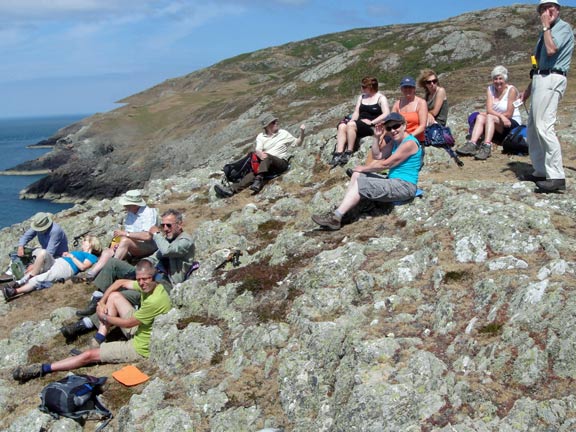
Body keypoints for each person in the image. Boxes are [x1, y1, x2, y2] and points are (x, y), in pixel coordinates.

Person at [12, 260, 171, 383]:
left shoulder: (155, 300)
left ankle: (43, 368)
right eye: (139, 279)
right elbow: (119, 283)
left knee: (88, 355)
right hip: (141, 328)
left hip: (140, 347)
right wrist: (102, 302)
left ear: (154, 276)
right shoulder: (153, 286)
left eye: (146, 279)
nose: (142, 283)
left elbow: (129, 323)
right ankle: (99, 338)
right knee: (115, 296)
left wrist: (105, 317)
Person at [70, 208, 194, 322]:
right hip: (150, 275)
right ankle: (97, 298)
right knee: (113, 263)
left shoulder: (185, 241)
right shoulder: (167, 239)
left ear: (180, 224)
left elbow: (167, 251)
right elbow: (154, 257)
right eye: (163, 225)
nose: (165, 229)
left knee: (119, 295)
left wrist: (156, 235)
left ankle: (88, 323)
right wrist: (139, 268)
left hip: (163, 284)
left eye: (169, 225)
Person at [311, 113, 422, 231]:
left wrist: (363, 168)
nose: (393, 130)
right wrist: (376, 137)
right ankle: (344, 213)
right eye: (389, 128)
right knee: (357, 175)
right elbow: (377, 155)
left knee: (360, 180)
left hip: (404, 186)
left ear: (404, 125)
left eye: (396, 126)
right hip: (393, 181)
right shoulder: (394, 142)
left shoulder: (409, 143)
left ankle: (336, 217)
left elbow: (387, 164)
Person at [521, 0, 574, 192]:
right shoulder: (545, 32)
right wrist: (529, 89)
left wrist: (545, 27)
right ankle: (540, 170)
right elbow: (538, 65)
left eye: (550, 7)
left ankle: (556, 176)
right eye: (543, 8)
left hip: (553, 78)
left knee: (544, 126)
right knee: (533, 127)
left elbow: (552, 50)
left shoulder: (562, 28)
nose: (547, 11)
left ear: (558, 10)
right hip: (541, 79)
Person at [214, 113, 305, 197]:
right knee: (253, 173)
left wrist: (302, 132)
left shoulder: (283, 133)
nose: (276, 123)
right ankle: (231, 190)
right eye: (273, 122)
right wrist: (260, 154)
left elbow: (298, 143)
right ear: (267, 126)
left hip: (280, 163)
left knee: (267, 158)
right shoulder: (261, 137)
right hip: (266, 166)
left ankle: (258, 180)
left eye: (276, 121)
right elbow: (258, 149)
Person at [76, 190, 158, 282]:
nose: (125, 206)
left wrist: (125, 234)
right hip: (133, 245)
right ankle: (91, 274)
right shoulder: (131, 213)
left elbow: (147, 236)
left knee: (124, 240)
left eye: (127, 204)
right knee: (108, 251)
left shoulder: (148, 213)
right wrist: (117, 244)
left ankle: (110, 270)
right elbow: (129, 233)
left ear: (135, 204)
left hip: (148, 246)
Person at [2, 235, 102, 301]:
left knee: (39, 278)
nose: (82, 242)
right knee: (43, 253)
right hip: (58, 261)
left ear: (91, 244)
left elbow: (83, 267)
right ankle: (19, 282)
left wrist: (71, 256)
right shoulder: (80, 252)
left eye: (85, 241)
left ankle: (14, 292)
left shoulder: (92, 256)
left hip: (66, 268)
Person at [456, 65, 522, 161]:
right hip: (498, 122)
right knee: (480, 117)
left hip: (511, 125)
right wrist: (499, 116)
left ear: (505, 79)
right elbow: (489, 109)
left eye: (500, 78)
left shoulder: (511, 90)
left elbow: (509, 113)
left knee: (489, 117)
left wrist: (497, 116)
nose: (498, 81)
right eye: (495, 79)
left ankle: (487, 146)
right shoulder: (490, 89)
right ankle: (472, 144)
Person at [331, 76, 390, 166]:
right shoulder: (362, 97)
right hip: (360, 123)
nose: (361, 88)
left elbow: (386, 113)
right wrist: (352, 120)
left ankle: (349, 152)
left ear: (370, 87)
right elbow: (356, 112)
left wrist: (372, 122)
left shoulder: (381, 98)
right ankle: (338, 153)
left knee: (351, 125)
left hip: (371, 125)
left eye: (364, 87)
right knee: (342, 126)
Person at [11, 212, 69, 285]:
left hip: (56, 257)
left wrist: (35, 264)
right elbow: (27, 236)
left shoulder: (55, 231)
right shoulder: (38, 226)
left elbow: (50, 252)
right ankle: (14, 269)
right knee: (22, 250)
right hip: (44, 252)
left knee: (39, 263)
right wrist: (21, 246)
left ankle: (23, 280)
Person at [391, 76, 428, 144]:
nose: (408, 89)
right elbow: (391, 123)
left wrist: (409, 137)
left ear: (414, 88)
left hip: (415, 139)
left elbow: (422, 126)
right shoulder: (397, 104)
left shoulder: (421, 103)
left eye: (410, 87)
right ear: (402, 89)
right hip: (399, 139)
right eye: (405, 87)